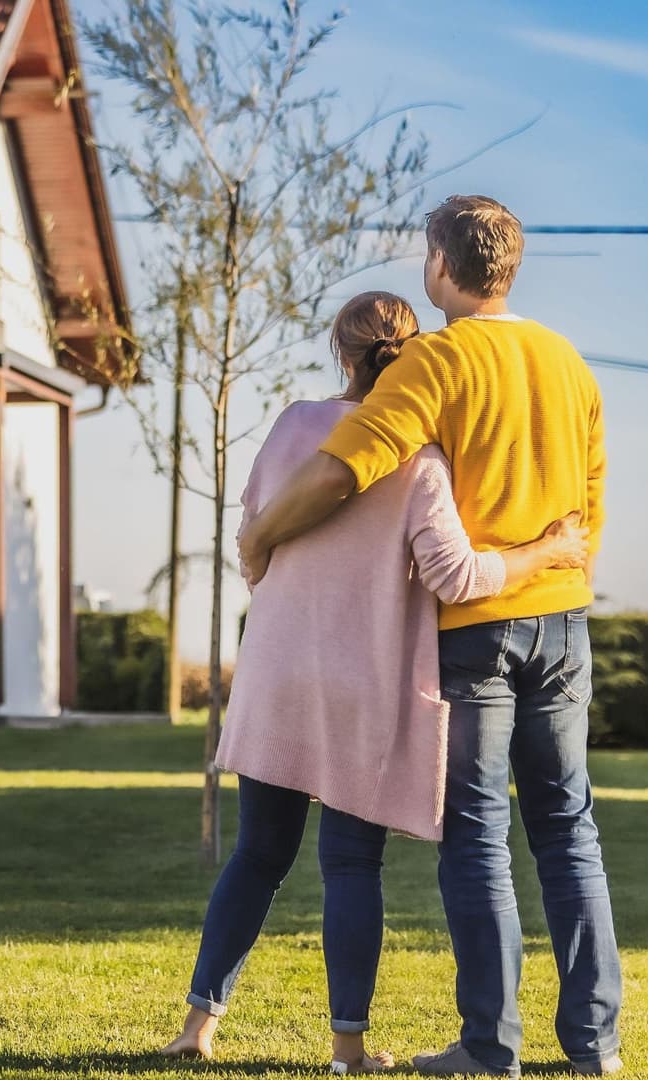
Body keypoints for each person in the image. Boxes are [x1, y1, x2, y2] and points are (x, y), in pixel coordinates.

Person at [239, 195, 622, 1078]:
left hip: (478, 631)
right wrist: (556, 565)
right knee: (570, 830)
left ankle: (492, 1049)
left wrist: (260, 537)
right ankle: (594, 1048)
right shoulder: (569, 363)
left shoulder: (438, 361)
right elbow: (589, 504)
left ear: (443, 267)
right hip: (563, 621)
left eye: (426, 255)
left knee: (480, 836)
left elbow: (343, 470)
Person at [163, 290, 589, 1075]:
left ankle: (196, 1028)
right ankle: (348, 1048)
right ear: (414, 356)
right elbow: (456, 577)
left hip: (279, 671)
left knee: (257, 854)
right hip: (365, 686)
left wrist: (274, 582)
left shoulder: (291, 426)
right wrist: (546, 552)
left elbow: (252, 529)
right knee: (350, 866)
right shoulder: (421, 459)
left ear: (341, 352)